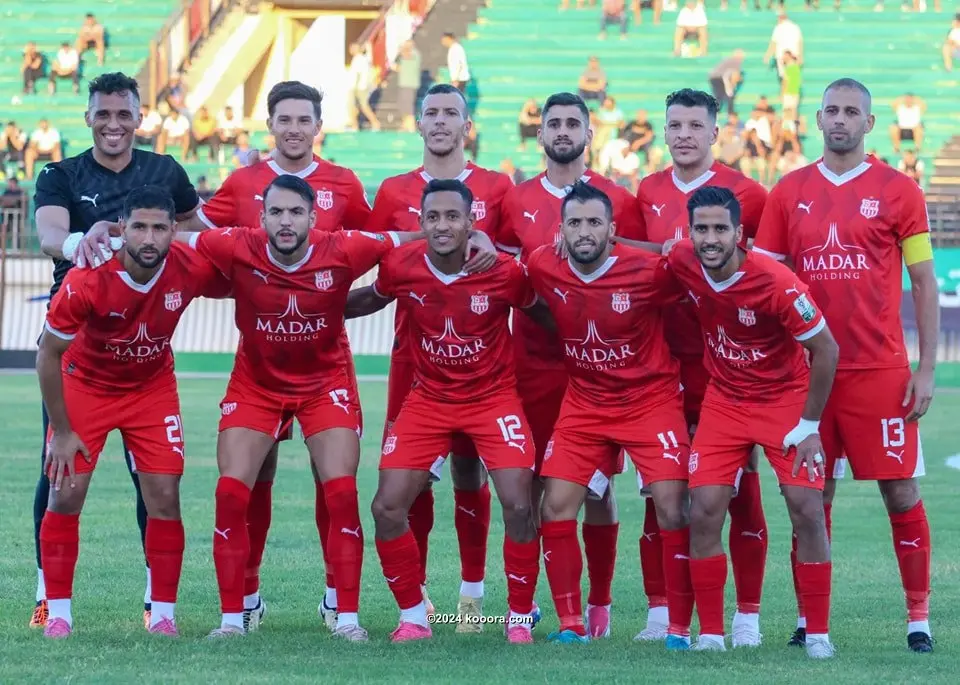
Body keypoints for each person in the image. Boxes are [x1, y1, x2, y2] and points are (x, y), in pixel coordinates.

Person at [178, 174, 495, 640]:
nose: (286, 222)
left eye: (295, 213)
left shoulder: (346, 247)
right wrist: (109, 231)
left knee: (342, 493)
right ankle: (233, 620)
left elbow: (414, 236)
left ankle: (346, 618)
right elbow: (169, 235)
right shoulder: (233, 243)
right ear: (261, 216)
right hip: (256, 384)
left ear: (313, 217)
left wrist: (477, 234)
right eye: (277, 212)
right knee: (229, 493)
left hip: (325, 383)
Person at [754, 78, 938, 654]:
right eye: (831, 110)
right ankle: (813, 622)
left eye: (851, 111)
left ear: (870, 122)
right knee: (811, 497)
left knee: (901, 493)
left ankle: (919, 618)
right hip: (806, 377)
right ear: (816, 119)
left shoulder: (900, 190)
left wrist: (926, 367)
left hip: (880, 372)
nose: (840, 119)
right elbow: (765, 284)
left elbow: (924, 282)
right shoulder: (788, 191)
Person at [30, 71, 202, 630]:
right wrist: (89, 241)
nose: (112, 124)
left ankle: (159, 605)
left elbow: (202, 232)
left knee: (154, 485)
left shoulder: (165, 172)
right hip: (80, 341)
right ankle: (46, 597)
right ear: (88, 117)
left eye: (122, 114)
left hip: (146, 355)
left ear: (138, 117)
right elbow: (51, 235)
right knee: (57, 473)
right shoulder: (61, 173)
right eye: (102, 114)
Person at [346, 179, 552, 643]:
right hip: (429, 399)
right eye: (433, 217)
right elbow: (370, 299)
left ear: (470, 222)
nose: (443, 225)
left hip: (494, 399)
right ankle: (415, 616)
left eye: (452, 217)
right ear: (421, 223)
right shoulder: (402, 265)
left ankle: (519, 618)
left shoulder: (503, 271)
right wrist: (314, 307)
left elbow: (546, 313)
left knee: (520, 504)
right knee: (386, 506)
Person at [35, 185, 228, 639]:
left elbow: (243, 266)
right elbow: (47, 355)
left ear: (174, 232)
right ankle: (58, 612)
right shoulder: (86, 276)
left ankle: (162, 614)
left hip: (151, 389)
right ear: (121, 229)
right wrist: (61, 431)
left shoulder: (189, 266)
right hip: (86, 387)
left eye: (160, 228)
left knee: (164, 498)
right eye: (139, 226)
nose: (149, 237)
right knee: (65, 495)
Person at [495, 91, 647, 639]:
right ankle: (531, 606)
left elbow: (640, 275)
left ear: (590, 132)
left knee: (600, 493)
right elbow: (501, 278)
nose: (562, 131)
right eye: (553, 123)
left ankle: (600, 608)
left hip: (601, 375)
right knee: (537, 490)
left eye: (572, 123)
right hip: (533, 368)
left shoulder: (619, 200)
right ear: (540, 135)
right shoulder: (514, 200)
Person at [364, 83, 514, 629]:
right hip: (413, 357)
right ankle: (420, 600)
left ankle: (472, 595)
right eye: (432, 113)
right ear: (418, 124)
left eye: (453, 112)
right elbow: (376, 264)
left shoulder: (499, 188)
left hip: (481, 360)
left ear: (467, 124)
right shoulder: (392, 190)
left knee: (472, 471)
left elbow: (518, 259)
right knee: (413, 477)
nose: (442, 121)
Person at [666, 186, 838, 658]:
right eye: (701, 229)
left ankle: (819, 635)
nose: (710, 238)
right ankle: (713, 635)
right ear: (690, 232)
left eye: (720, 228)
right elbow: (642, 254)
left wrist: (809, 425)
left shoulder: (777, 282)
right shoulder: (683, 260)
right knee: (702, 510)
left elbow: (826, 349)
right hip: (724, 402)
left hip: (783, 403)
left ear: (740, 234)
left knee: (806, 509)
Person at [526, 181, 693, 646]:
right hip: (585, 404)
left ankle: (677, 625)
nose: (584, 232)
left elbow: (695, 268)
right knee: (555, 506)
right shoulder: (543, 265)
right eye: (575, 223)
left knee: (673, 506)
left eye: (594, 222)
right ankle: (569, 624)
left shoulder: (649, 271)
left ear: (612, 230)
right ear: (559, 230)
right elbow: (519, 290)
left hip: (651, 401)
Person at [631, 87, 769, 644]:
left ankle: (748, 616)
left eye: (695, 124)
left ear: (716, 132)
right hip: (665, 369)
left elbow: (760, 274)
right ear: (664, 132)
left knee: (742, 491)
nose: (684, 134)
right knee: (662, 489)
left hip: (731, 370)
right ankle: (661, 612)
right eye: (674, 125)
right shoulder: (647, 190)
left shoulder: (750, 194)